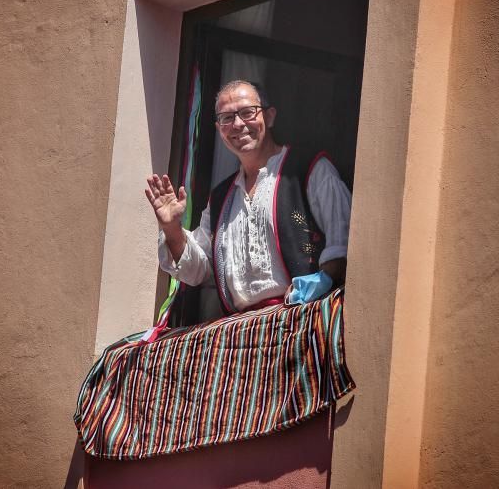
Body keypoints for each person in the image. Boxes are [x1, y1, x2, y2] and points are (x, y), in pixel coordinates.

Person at [145, 80, 351, 314]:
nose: (238, 124)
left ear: (270, 117)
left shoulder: (310, 169)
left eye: (247, 112)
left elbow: (342, 242)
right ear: (219, 129)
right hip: (244, 333)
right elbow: (199, 269)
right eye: (227, 118)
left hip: (303, 321)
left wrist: (317, 286)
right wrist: (172, 228)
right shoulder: (222, 197)